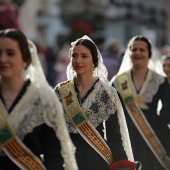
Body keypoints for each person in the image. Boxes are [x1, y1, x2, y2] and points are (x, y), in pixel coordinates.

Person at [54, 35, 138, 170]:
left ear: (94, 59)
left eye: (84, 56)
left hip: (96, 160)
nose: (78, 60)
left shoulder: (107, 92)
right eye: (74, 56)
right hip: (67, 160)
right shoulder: (61, 90)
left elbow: (114, 135)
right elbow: (54, 131)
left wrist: (120, 164)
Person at [0, 29, 78, 170]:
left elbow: (54, 154)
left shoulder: (43, 99)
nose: (2, 59)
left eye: (10, 53)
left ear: (25, 59)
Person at [110, 35, 170, 170]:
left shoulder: (160, 80)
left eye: (142, 50)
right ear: (129, 53)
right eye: (134, 49)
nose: (137, 53)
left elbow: (167, 110)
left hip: (155, 139)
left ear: (149, 53)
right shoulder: (118, 81)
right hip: (126, 138)